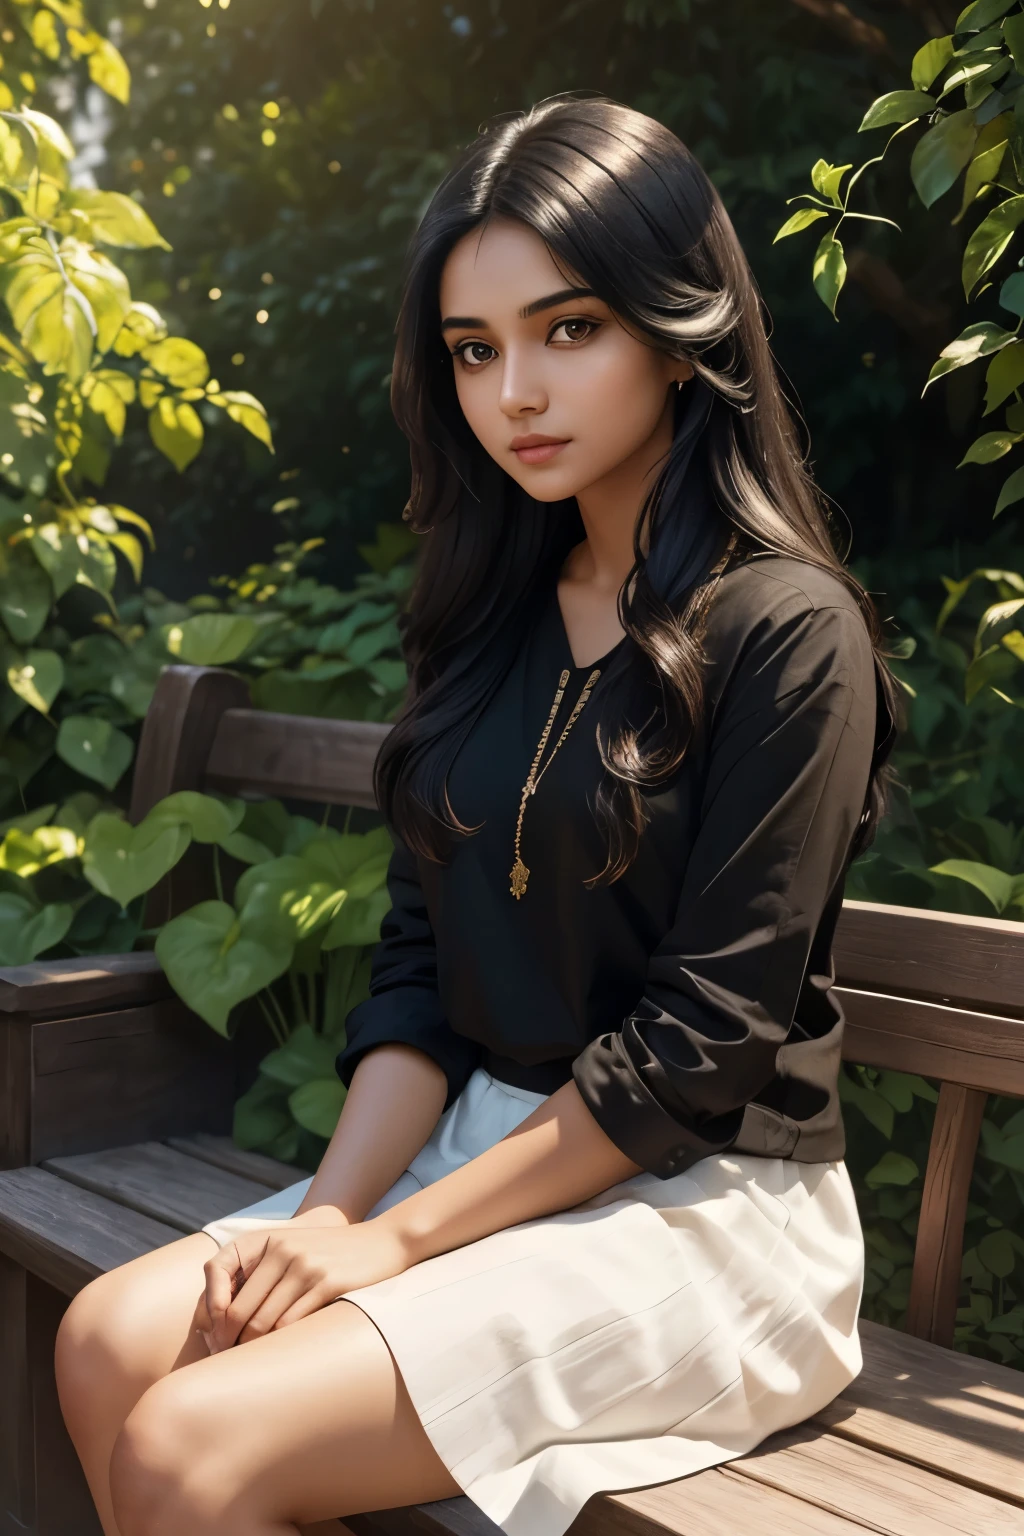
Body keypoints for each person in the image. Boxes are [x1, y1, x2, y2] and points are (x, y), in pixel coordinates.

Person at [54, 93, 897, 1536]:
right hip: (484, 1161)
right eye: (473, 349)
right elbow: (417, 978)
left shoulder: (791, 635)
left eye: (568, 330)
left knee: (193, 1444)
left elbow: (701, 1054)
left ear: (675, 328)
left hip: (701, 1210)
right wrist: (334, 1217)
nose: (515, 390)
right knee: (113, 1343)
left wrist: (395, 1243)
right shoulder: (493, 623)